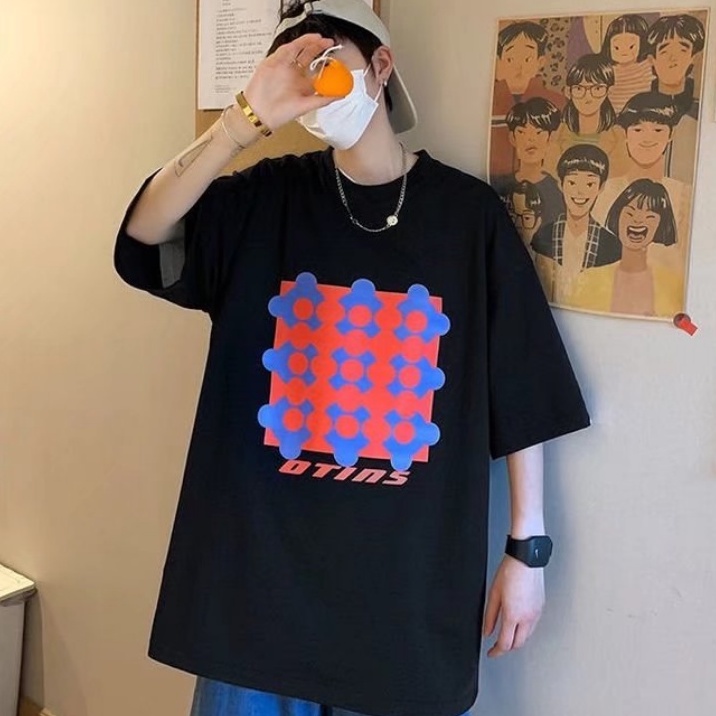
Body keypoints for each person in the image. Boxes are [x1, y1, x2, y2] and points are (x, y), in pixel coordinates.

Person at [114, 2, 590, 716]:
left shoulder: (467, 218)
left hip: (401, 594)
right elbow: (146, 234)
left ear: (381, 66)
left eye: (324, 58)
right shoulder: (266, 200)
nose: (312, 80)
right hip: (257, 587)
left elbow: (522, 389)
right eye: (293, 67)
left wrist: (529, 551)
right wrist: (242, 121)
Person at [593, 92, 691, 272]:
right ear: (625, 134)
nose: (647, 139)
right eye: (638, 130)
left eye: (658, 130)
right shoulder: (605, 191)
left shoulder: (685, 194)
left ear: (671, 134)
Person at [569, 179, 682, 317]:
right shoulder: (588, 280)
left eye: (649, 216)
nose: (638, 220)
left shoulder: (673, 284)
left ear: (660, 225)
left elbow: (687, 325)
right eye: (630, 213)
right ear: (618, 216)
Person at [532, 144, 621, 305]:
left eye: (589, 184)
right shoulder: (543, 236)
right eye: (572, 183)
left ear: (601, 187)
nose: (580, 192)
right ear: (561, 184)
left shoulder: (611, 245)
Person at [491, 21, 565, 175]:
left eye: (527, 59)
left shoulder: (558, 102)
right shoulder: (488, 103)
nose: (519, 66)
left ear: (540, 61)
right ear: (499, 61)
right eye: (510, 59)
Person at [645, 14, 705, 186]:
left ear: (693, 57)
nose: (673, 59)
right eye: (664, 51)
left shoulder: (699, 114)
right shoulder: (637, 112)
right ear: (652, 60)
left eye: (682, 50)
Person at [546, 54, 627, 176]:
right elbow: (550, 176)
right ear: (568, 92)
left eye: (597, 88)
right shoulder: (557, 135)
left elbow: (619, 177)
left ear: (609, 91)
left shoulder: (617, 136)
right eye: (579, 89)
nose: (588, 97)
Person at [491, 97, 564, 227]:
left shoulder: (558, 192)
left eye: (538, 132)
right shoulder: (498, 186)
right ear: (512, 138)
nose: (530, 139)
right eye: (522, 132)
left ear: (550, 138)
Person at [601, 14, 655, 114]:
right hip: (614, 117)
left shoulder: (648, 64)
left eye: (631, 46)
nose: (624, 52)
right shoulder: (606, 71)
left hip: (642, 117)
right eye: (617, 47)